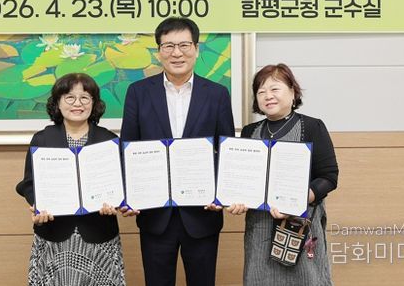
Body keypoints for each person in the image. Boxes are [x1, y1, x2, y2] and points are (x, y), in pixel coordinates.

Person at [120, 17, 235, 286]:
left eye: (184, 45)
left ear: (196, 48)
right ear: (159, 51)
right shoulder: (138, 92)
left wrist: (222, 194)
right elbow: (128, 149)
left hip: (202, 213)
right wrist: (129, 195)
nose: (177, 53)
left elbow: (226, 150)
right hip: (155, 215)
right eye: (169, 46)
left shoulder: (217, 94)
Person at [227, 63, 339, 286]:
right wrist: (237, 199)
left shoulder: (312, 126)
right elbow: (243, 179)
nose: (267, 96)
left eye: (274, 89)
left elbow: (329, 177)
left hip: (299, 226)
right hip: (260, 228)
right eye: (261, 91)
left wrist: (297, 200)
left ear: (293, 91)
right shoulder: (249, 132)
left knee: (307, 280)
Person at [16, 73, 125, 286]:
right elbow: (29, 183)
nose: (77, 103)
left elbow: (121, 183)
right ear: (58, 102)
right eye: (69, 97)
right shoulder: (42, 139)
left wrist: (116, 202)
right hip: (54, 234)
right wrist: (38, 204)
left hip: (99, 233)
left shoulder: (109, 140)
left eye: (85, 97)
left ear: (94, 103)